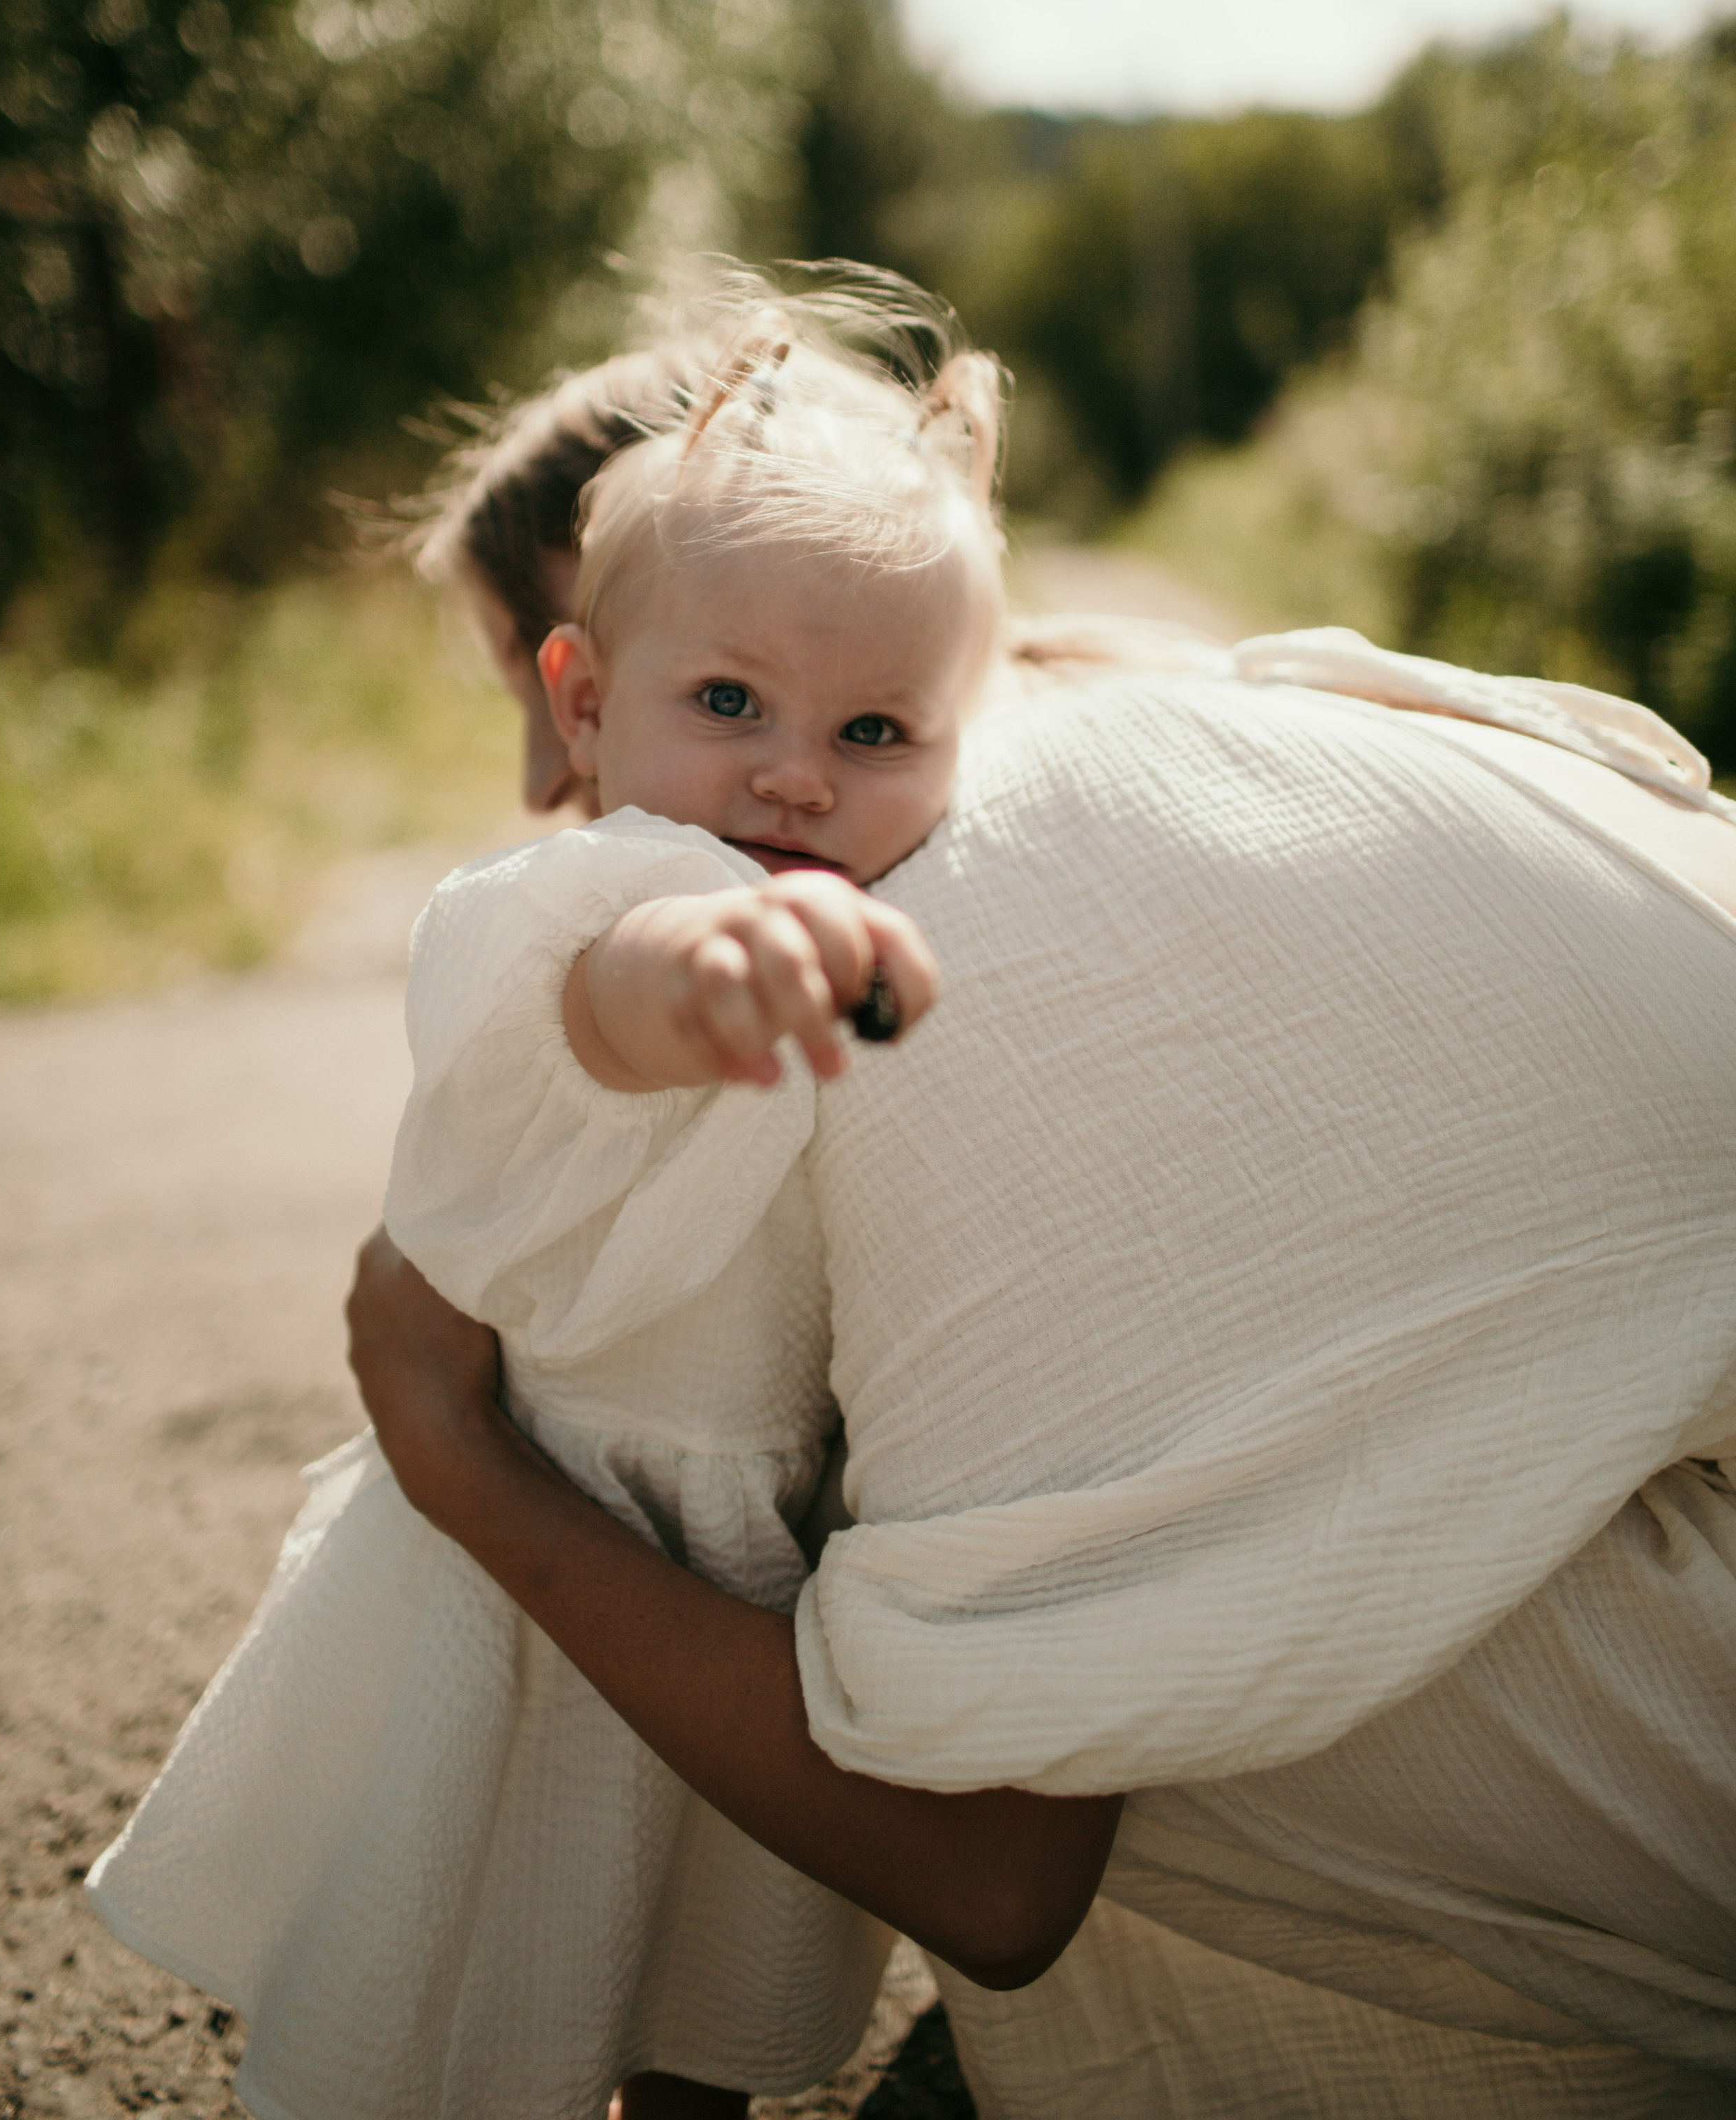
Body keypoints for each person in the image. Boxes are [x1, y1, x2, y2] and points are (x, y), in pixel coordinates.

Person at [344, 294, 1736, 2117]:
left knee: (868, 1539)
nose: (540, 789)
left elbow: (993, 1873)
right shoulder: (1169, 721)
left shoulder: (949, 935)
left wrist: (458, 1452)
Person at [87, 294, 1013, 2120]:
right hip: (562, 1524)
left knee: (698, 1994)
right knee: (449, 1967)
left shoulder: (857, 816)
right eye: (728, 702)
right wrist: (725, 956)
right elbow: (616, 976)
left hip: (755, 1552)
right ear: (594, 691)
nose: (797, 773)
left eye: (873, 728)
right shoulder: (630, 891)